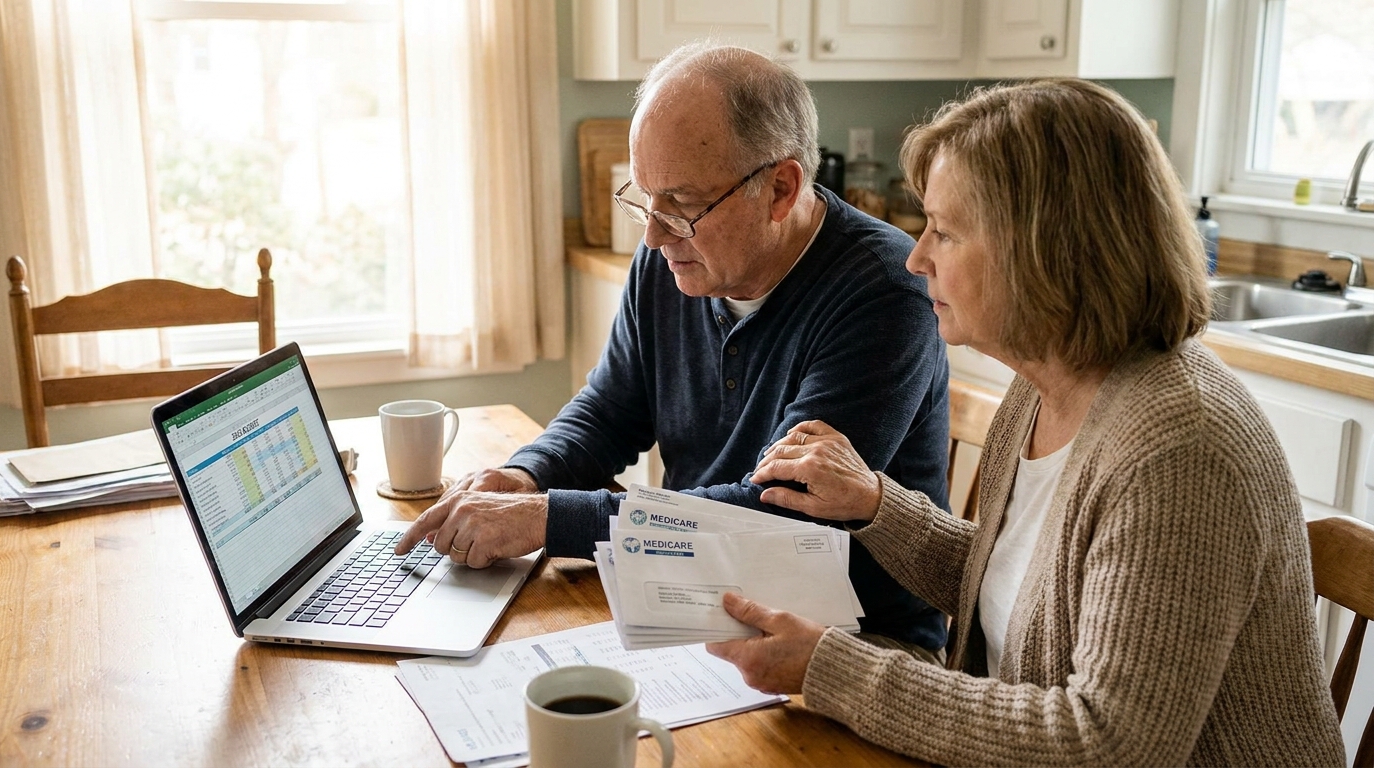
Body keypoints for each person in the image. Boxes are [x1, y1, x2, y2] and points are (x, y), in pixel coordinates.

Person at [705, 78, 1347, 766]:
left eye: (945, 232)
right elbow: (1026, 591)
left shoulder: (1180, 447)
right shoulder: (1045, 384)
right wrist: (878, 506)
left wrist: (830, 668)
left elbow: (1105, 743)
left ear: (1044, 248)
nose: (917, 258)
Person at [395, 41, 952, 652]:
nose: (656, 234)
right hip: (694, 595)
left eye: (682, 205)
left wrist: (549, 518)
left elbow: (783, 517)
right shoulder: (670, 256)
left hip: (855, 643)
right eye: (645, 200)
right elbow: (609, 410)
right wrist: (525, 476)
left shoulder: (885, 292)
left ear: (781, 189)